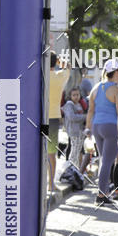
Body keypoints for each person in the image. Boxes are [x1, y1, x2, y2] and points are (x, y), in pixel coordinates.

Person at [86, 59, 118, 206]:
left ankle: (104, 192)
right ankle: (101, 194)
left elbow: (90, 110)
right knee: (107, 161)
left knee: (103, 160)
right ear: (116, 72)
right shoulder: (116, 90)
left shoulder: (96, 88)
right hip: (111, 126)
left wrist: (87, 128)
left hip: (97, 126)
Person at [47, 53, 69, 191]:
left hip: (40, 118)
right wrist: (60, 62)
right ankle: (51, 184)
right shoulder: (60, 76)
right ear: (55, 62)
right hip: (53, 118)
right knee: (51, 152)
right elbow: (68, 67)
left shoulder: (40, 76)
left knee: (40, 149)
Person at [62, 87, 87, 171]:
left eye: (77, 95)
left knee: (77, 151)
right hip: (73, 132)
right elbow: (72, 117)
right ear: (70, 96)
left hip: (80, 132)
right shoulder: (69, 105)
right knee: (74, 153)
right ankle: (70, 170)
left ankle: (75, 170)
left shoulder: (79, 104)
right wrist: (85, 117)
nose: (76, 97)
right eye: (74, 95)